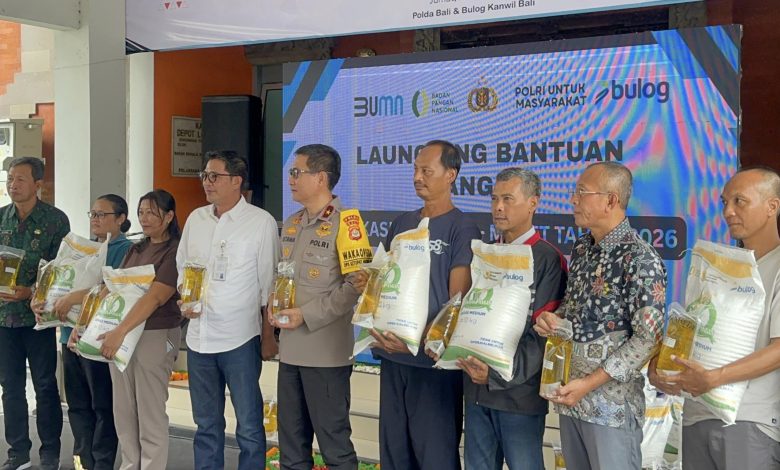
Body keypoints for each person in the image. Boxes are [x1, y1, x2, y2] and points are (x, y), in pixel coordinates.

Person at [534, 162, 666, 470]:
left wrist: (589, 383)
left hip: (611, 408)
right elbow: (572, 308)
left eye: (582, 192)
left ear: (611, 200)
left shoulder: (640, 258)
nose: (573, 200)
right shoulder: (582, 248)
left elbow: (648, 339)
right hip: (571, 399)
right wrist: (553, 320)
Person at [649, 166, 780, 469]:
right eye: (724, 202)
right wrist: (664, 366)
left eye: (739, 201)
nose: (728, 211)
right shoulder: (718, 268)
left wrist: (715, 378)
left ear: (772, 206)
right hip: (697, 414)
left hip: (749, 420)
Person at [371, 140, 482, 470]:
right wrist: (368, 286)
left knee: (435, 457)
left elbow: (456, 302)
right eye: (415, 170)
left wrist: (420, 342)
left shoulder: (463, 227)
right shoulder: (401, 222)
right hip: (393, 357)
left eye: (426, 171)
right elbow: (385, 280)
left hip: (432, 365)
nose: (417, 177)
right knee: (395, 454)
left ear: (451, 175)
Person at [457, 168, 567, 470]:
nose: (498, 207)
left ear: (533, 203)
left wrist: (495, 376)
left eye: (508, 199)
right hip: (476, 392)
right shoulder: (485, 253)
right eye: (494, 199)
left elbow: (545, 334)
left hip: (519, 398)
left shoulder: (547, 259)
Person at [176, 151, 279, 470]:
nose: (207, 182)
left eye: (214, 176)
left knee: (248, 425)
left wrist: (268, 337)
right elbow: (183, 269)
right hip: (199, 339)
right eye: (204, 176)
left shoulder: (260, 222)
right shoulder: (196, 219)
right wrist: (184, 298)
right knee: (206, 424)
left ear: (236, 181)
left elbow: (269, 285)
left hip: (240, 339)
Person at [268, 144, 362, 470]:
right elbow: (283, 276)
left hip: (326, 356)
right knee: (291, 451)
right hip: (290, 352)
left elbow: (356, 286)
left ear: (321, 178)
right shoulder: (292, 223)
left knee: (335, 448)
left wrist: (305, 315)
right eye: (291, 172)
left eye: (297, 172)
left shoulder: (348, 223)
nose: (290, 179)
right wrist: (274, 304)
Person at [43, 195, 132, 470]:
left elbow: (113, 288)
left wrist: (73, 297)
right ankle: (83, 462)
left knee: (102, 406)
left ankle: (102, 463)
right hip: (70, 335)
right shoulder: (84, 249)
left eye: (102, 214)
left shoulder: (126, 250)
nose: (95, 219)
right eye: (92, 213)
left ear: (121, 219)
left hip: (97, 339)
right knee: (78, 406)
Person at [98, 189, 182, 470]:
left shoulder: (174, 250)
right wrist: (87, 325)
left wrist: (120, 331)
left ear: (168, 216)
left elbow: (156, 296)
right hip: (121, 334)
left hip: (154, 334)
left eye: (151, 213)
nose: (144, 218)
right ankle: (130, 465)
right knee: (124, 410)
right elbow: (114, 289)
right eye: (141, 212)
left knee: (150, 411)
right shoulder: (136, 248)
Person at [0, 156, 69, 470]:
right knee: (11, 387)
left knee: (44, 385)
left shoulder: (55, 220)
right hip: (4, 318)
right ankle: (18, 452)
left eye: (20, 179)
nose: (13, 185)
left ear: (38, 184)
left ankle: (50, 451)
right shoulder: (2, 217)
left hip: (39, 319)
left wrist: (29, 292)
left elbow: (61, 271)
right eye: (9, 179)